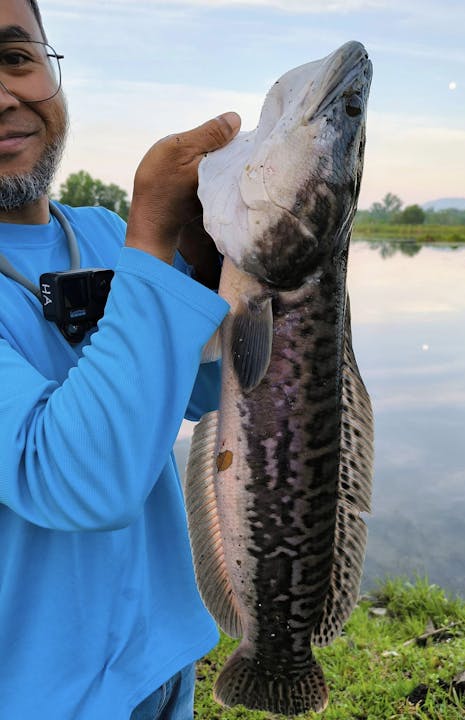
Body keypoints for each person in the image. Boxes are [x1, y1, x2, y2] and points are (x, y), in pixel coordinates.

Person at [0, 1, 241, 718]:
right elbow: (82, 482)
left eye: (16, 58)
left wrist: (215, 264)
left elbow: (205, 394)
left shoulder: (105, 234)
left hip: (165, 663)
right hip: (42, 696)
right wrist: (152, 238)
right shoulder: (133, 238)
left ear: (53, 70)